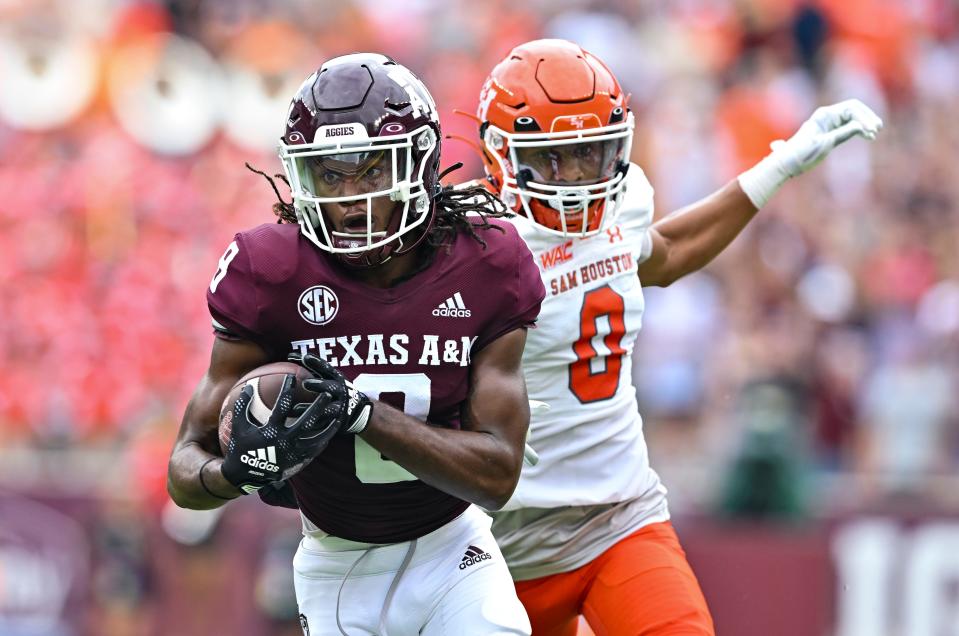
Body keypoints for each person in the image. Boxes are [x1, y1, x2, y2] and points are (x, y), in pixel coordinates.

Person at [471, 38, 882, 635]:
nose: (581, 177)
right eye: (558, 157)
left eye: (594, 152)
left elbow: (665, 253)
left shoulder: (625, 203)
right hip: (495, 541)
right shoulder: (469, 246)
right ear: (500, 153)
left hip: (618, 518)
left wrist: (779, 166)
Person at [167, 53, 544, 635]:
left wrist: (359, 414)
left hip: (454, 552)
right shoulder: (270, 270)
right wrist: (234, 474)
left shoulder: (487, 262)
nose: (350, 198)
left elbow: (497, 476)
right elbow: (184, 470)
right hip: (336, 563)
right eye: (330, 175)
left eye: (372, 171)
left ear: (422, 164)